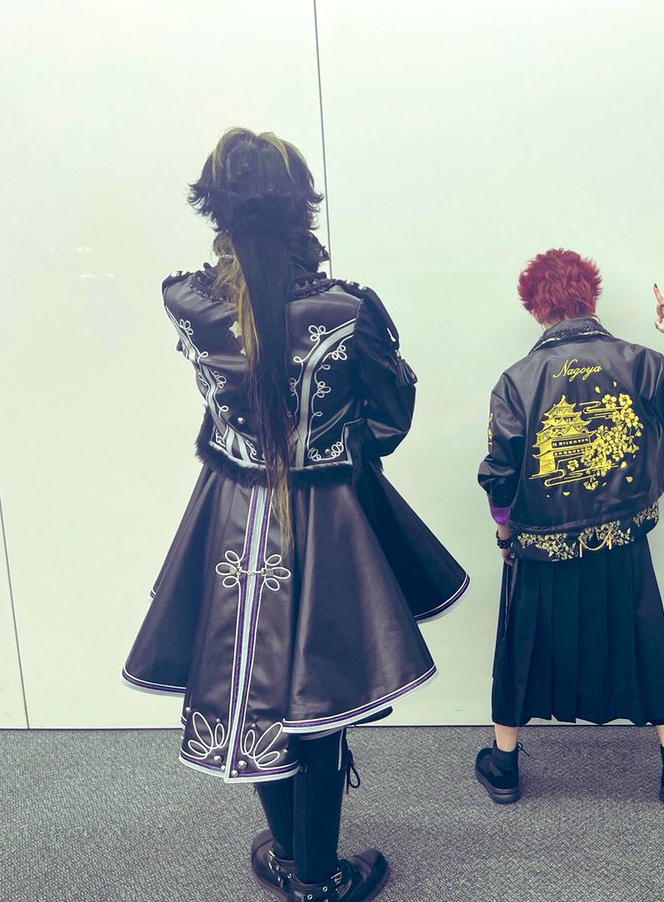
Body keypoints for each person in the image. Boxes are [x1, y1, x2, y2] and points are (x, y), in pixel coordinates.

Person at [123, 128, 468, 902]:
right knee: (319, 692)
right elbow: (389, 421)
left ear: (215, 208)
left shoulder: (184, 301)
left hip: (229, 510)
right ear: (301, 207)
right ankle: (317, 877)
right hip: (326, 518)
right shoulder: (347, 309)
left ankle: (289, 854)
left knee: (249, 684)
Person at [475, 248, 664, 806]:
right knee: (646, 635)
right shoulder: (639, 362)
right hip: (621, 537)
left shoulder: (515, 381)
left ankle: (504, 767)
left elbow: (499, 473)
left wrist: (505, 535)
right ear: (591, 296)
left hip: (540, 545)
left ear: (535, 308)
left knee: (519, 643)